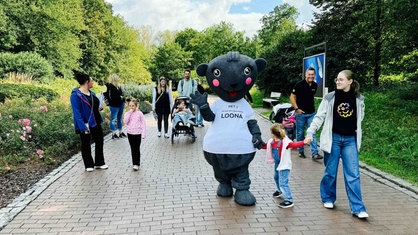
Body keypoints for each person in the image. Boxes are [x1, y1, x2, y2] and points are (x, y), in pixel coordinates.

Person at [305, 70, 368, 219]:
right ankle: (328, 198)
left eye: (341, 80)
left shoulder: (359, 99)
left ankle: (358, 208)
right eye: (337, 79)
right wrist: (310, 132)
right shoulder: (330, 97)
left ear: (350, 82)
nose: (337, 82)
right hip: (333, 139)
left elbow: (360, 118)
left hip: (350, 140)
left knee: (353, 174)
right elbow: (319, 117)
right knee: (330, 172)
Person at [70, 72, 108, 172]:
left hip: (96, 121)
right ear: (87, 82)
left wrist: (98, 108)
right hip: (85, 123)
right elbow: (77, 112)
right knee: (86, 143)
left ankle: (99, 162)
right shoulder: (76, 95)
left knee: (99, 141)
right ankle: (88, 164)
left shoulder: (92, 93)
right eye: (91, 81)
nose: (93, 82)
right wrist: (82, 126)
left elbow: (93, 106)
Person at [262, 123, 306, 208]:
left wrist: (304, 142)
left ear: (274, 134)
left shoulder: (285, 142)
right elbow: (265, 146)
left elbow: (294, 144)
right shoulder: (272, 141)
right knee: (276, 177)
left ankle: (289, 200)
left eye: (271, 132)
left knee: (283, 182)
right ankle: (280, 190)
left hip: (284, 165)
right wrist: (257, 144)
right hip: (277, 163)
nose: (270, 134)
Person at [290, 67, 323, 160]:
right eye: (309, 74)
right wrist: (296, 108)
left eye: (312, 74)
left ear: (314, 75)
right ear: (306, 75)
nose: (311, 76)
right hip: (300, 114)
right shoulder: (299, 85)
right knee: (300, 133)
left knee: (312, 132)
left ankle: (315, 153)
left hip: (311, 113)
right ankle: (301, 151)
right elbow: (292, 97)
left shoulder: (315, 85)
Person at [123, 99, 146, 171]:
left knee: (137, 148)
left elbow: (143, 124)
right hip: (130, 133)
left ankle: (137, 163)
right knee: (133, 148)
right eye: (130, 106)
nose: (131, 107)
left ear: (136, 106)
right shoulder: (127, 113)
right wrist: (129, 113)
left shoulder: (140, 113)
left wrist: (143, 133)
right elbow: (125, 122)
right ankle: (134, 164)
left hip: (138, 133)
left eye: (133, 106)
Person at [105, 74, 126, 139]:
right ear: (115, 79)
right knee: (113, 119)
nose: (119, 79)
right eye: (118, 78)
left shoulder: (118, 86)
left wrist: (123, 99)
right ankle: (113, 133)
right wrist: (119, 97)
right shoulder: (110, 86)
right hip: (114, 105)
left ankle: (120, 132)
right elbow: (111, 97)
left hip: (120, 104)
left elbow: (121, 94)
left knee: (120, 118)